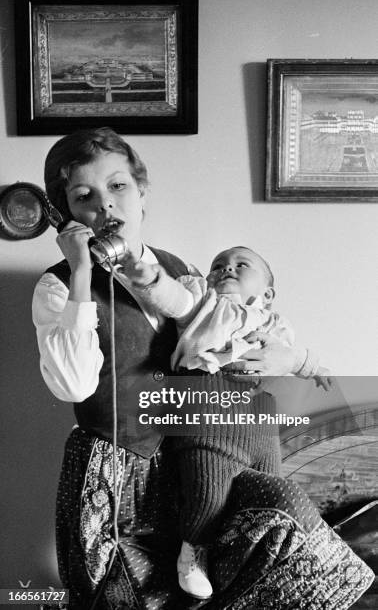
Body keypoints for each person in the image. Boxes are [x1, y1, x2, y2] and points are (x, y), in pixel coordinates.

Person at [32, 128, 374, 610]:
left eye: (118, 187)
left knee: (279, 518)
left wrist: (288, 359)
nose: (106, 207)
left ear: (141, 191)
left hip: (197, 458)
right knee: (129, 598)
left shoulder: (183, 271)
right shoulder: (58, 286)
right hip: (115, 474)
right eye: (84, 195)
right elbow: (72, 383)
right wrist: (83, 274)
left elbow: (233, 337)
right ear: (68, 210)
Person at [119, 244, 331, 599]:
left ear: (267, 292)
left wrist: (314, 367)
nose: (225, 269)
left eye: (240, 265)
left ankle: (262, 571)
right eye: (218, 265)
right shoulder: (204, 304)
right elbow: (173, 299)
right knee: (207, 496)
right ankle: (194, 552)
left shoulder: (275, 323)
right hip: (208, 418)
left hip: (260, 425)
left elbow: (293, 359)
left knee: (269, 499)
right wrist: (151, 279)